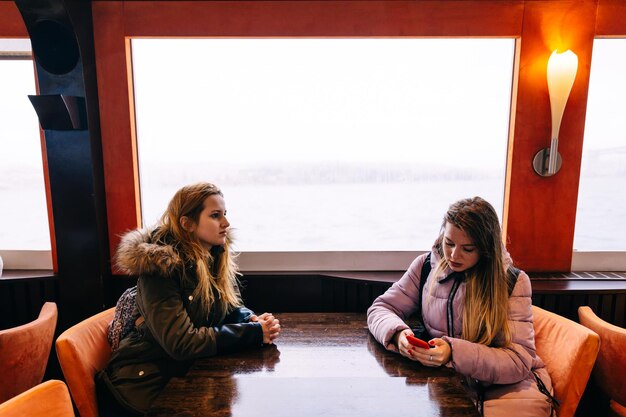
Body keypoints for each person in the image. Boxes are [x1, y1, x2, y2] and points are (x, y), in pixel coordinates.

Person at [96, 182, 280, 416]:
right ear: (187, 224)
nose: (226, 224)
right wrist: (253, 333)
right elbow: (182, 344)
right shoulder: (160, 270)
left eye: (225, 214)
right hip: (145, 386)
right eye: (215, 216)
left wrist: (249, 319)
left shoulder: (209, 256)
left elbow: (222, 306)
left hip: (182, 373)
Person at [367, 197, 554, 417]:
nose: (454, 255)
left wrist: (453, 353)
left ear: (486, 249)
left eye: (467, 248)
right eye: (449, 243)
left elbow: (518, 361)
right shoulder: (426, 265)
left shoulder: (513, 282)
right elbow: (381, 308)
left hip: (501, 389)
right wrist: (398, 334)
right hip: (444, 384)